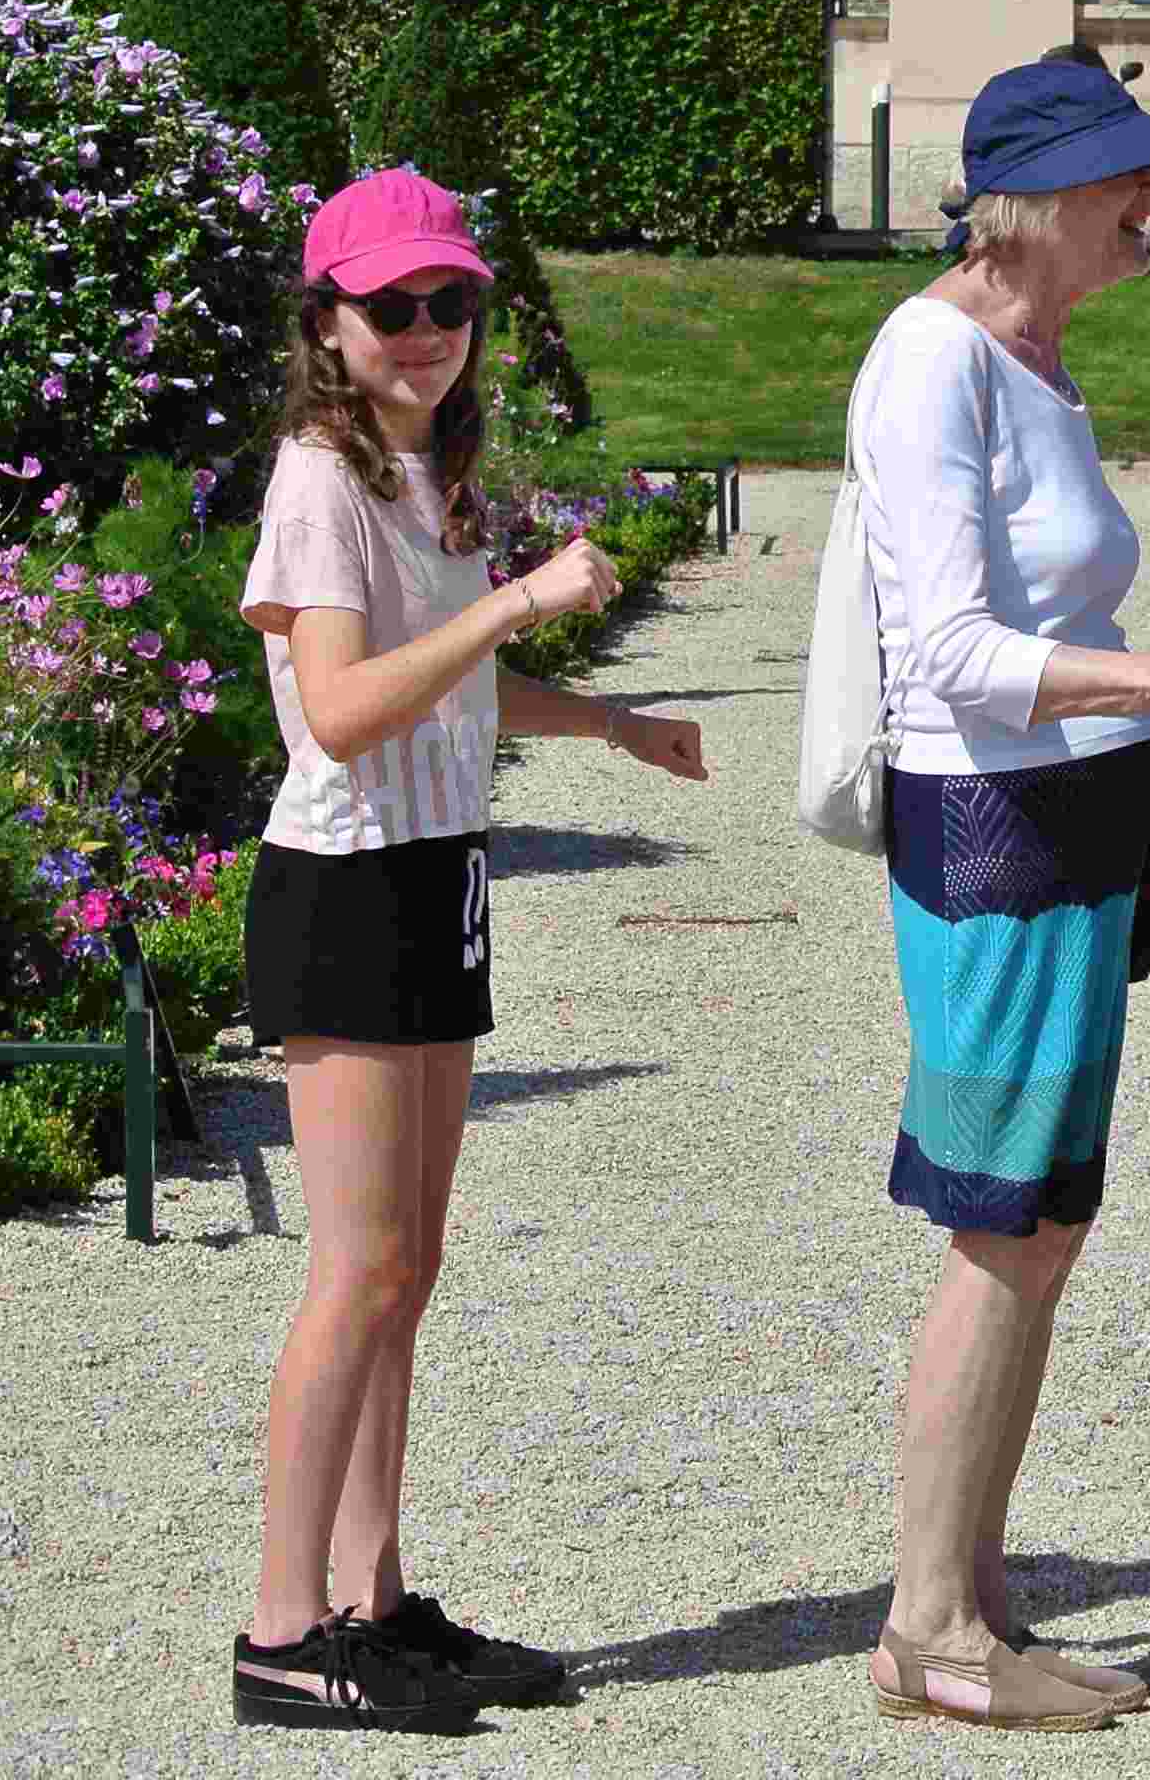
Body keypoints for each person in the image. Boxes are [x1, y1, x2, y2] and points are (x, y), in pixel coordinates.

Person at [850, 50, 1150, 1734]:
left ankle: (965, 1598)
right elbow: (954, 652)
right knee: (998, 1224)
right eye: (1131, 176)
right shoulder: (931, 360)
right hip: (995, 829)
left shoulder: (1035, 359)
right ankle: (930, 1626)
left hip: (1074, 817)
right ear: (1038, 198)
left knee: (1040, 1224)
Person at [234, 168, 711, 1733]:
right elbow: (349, 706)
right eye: (394, 308)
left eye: (451, 303)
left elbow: (447, 700)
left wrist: (612, 722)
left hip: (434, 875)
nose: (428, 333)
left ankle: (373, 1605)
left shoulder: (421, 469)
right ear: (329, 323)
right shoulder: (319, 474)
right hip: (347, 885)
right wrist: (513, 603)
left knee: (408, 1269)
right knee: (356, 1269)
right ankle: (281, 1630)